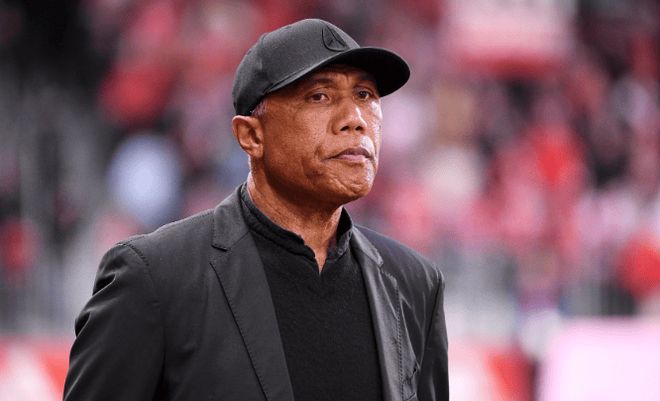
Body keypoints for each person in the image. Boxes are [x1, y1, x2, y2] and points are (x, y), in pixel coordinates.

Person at [63, 18, 449, 401]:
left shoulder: (415, 284)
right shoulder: (154, 277)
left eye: (365, 95)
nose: (356, 120)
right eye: (320, 96)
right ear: (251, 136)